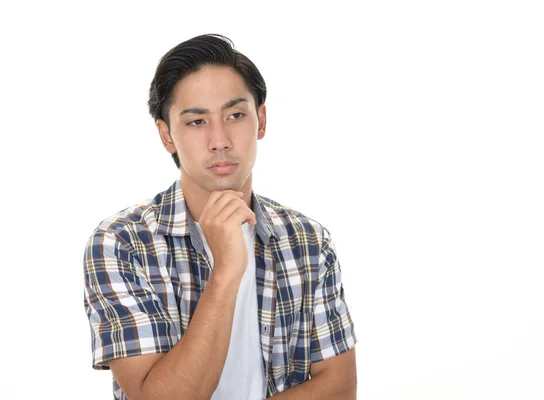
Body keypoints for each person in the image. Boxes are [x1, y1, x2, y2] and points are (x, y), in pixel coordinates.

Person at [82, 34, 357, 400]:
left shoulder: (307, 240)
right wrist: (226, 270)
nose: (220, 139)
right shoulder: (121, 243)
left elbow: (340, 389)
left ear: (260, 120)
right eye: (196, 122)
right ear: (166, 135)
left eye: (235, 115)